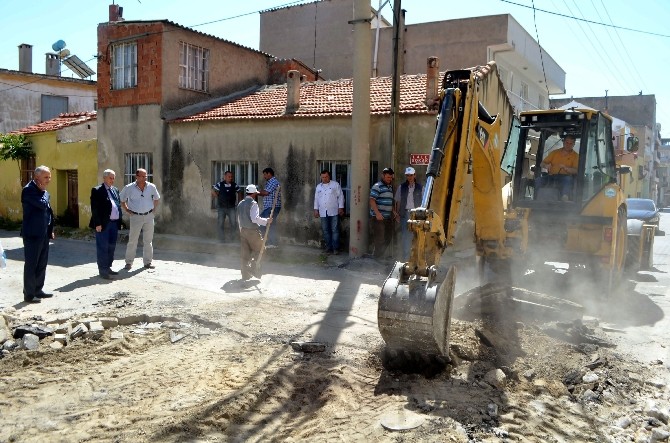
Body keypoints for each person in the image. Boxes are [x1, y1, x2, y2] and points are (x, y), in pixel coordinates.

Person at [20, 165, 55, 303]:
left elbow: (48, 212)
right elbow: (41, 204)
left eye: (50, 177)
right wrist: (43, 192)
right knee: (31, 264)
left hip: (44, 233)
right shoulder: (29, 190)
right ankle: (29, 294)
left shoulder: (43, 191)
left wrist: (50, 229)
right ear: (37, 177)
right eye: (46, 177)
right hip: (32, 233)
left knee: (42, 263)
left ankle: (38, 289)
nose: (48, 180)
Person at [120, 168, 161, 270]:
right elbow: (122, 200)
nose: (145, 178)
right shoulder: (129, 188)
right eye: (142, 176)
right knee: (132, 240)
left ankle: (148, 262)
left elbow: (157, 198)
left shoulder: (151, 187)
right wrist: (127, 210)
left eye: (146, 176)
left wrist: (153, 210)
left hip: (149, 216)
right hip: (136, 217)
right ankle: (129, 262)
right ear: (136, 177)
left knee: (148, 240)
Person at [89, 169, 122, 280]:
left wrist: (119, 221)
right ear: (104, 178)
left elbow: (117, 205)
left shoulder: (115, 190)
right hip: (103, 224)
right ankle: (103, 270)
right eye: (110, 178)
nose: (112, 180)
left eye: (113, 178)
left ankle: (108, 267)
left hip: (114, 223)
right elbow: (95, 208)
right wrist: (97, 223)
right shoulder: (97, 190)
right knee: (103, 247)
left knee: (111, 247)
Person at [237, 184, 271, 280]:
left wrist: (241, 231)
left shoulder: (240, 203)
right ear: (254, 194)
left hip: (243, 231)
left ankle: (245, 274)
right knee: (261, 250)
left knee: (245, 253)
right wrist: (267, 221)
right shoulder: (253, 204)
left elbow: (239, 219)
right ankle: (253, 268)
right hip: (252, 231)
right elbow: (254, 219)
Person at [539, 134, 579, 201]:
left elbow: (576, 170)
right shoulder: (555, 153)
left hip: (565, 177)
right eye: (567, 142)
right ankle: (537, 199)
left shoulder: (576, 156)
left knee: (568, 180)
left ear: (574, 144)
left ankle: (564, 198)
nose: (568, 145)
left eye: (571, 143)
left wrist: (567, 168)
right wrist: (546, 166)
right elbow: (542, 164)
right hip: (552, 176)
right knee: (539, 180)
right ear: (563, 142)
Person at [394, 166, 423, 261]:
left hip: (416, 215)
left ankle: (416, 258)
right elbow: (398, 201)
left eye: (411, 175)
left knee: (417, 236)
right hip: (404, 214)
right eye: (407, 175)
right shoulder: (401, 187)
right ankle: (407, 259)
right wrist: (397, 214)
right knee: (405, 237)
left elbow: (424, 202)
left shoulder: (420, 188)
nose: (409, 177)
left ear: (414, 175)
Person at [313, 170, 345, 254]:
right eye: (322, 177)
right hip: (323, 212)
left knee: (335, 230)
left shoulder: (335, 185)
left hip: (334, 211)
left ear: (329, 176)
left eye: (326, 177)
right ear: (321, 177)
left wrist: (341, 207)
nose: (324, 178)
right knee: (325, 230)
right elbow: (316, 199)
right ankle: (329, 247)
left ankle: (336, 248)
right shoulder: (318, 187)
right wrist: (316, 209)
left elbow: (340, 196)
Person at [369, 167, 397, 259]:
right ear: (383, 176)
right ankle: (376, 258)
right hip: (378, 218)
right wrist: (377, 214)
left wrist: (393, 212)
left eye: (391, 178)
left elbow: (390, 201)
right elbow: (372, 200)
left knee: (388, 237)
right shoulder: (377, 186)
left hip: (387, 218)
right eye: (388, 177)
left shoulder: (390, 187)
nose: (389, 179)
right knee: (379, 239)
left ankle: (379, 256)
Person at [211, 170, 241, 243]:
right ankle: (221, 239)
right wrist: (217, 196)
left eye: (231, 177)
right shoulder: (219, 184)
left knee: (233, 224)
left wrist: (240, 202)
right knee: (220, 224)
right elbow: (213, 191)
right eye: (229, 176)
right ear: (225, 177)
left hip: (231, 208)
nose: (230, 178)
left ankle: (232, 239)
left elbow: (239, 192)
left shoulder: (234, 185)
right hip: (221, 208)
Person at [258, 167, 281, 248]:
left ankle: (272, 243)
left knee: (267, 224)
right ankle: (269, 242)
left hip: (272, 207)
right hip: (268, 207)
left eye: (265, 174)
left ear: (269, 174)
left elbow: (266, 192)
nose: (264, 176)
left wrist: (255, 192)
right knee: (265, 223)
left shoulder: (273, 181)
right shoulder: (270, 182)